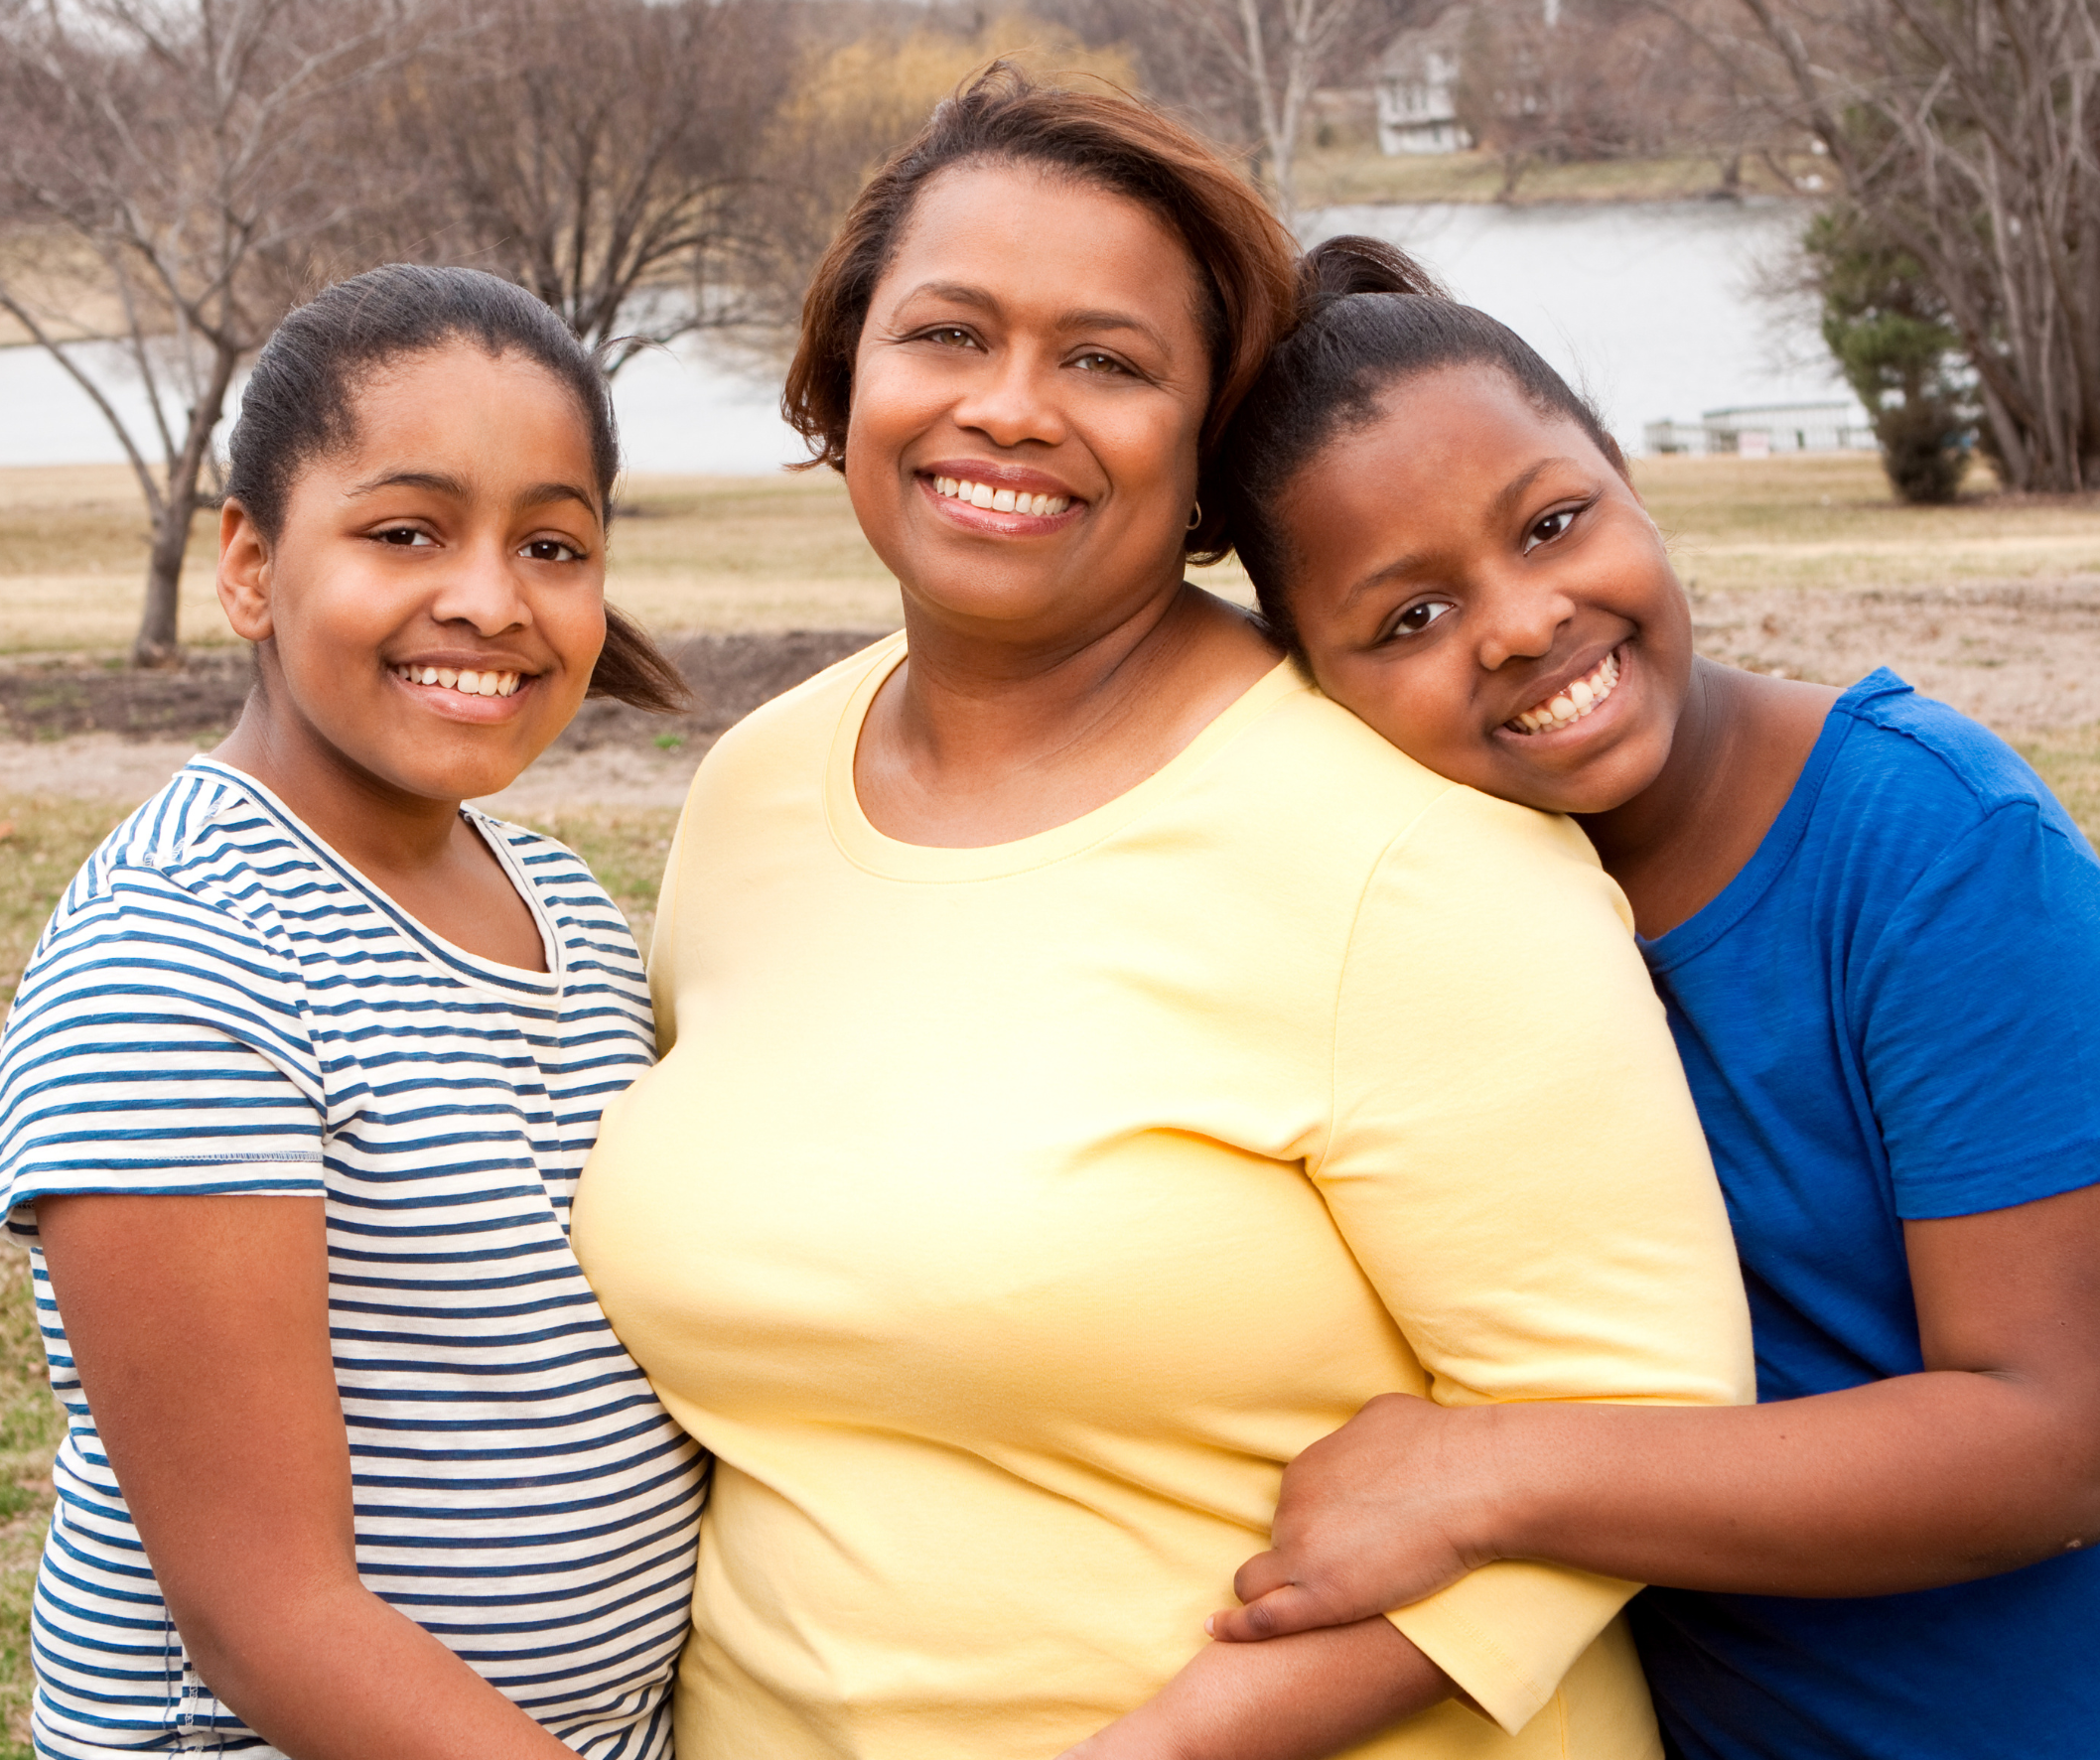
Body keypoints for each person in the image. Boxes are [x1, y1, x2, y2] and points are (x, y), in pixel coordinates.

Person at [569, 68, 1752, 1760]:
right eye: (946, 335)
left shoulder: (1409, 858)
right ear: (842, 379)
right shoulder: (755, 788)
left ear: (1206, 463)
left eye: (1106, 363)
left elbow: (1636, 1421)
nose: (1011, 408)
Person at [1199, 236, 2100, 1760]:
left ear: (1625, 472)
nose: (1521, 621)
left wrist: (1492, 1476)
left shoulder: (1930, 841)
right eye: (1405, 618)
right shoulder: (1407, 917)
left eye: (1552, 523)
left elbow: (2052, 1436)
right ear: (1306, 681)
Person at [0, 265, 710, 1760]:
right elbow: (270, 1619)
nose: (490, 598)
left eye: (553, 544)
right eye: (405, 532)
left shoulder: (562, 906)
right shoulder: (178, 960)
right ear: (251, 567)